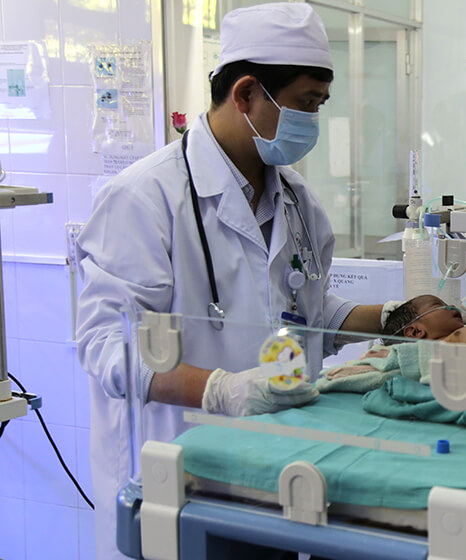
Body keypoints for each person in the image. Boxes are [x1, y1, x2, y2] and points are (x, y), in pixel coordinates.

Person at [74, 4, 385, 558]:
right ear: (245, 95)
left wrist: (390, 319)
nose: (313, 120)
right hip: (177, 477)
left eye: (320, 104)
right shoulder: (145, 199)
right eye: (305, 104)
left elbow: (305, 310)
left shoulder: (297, 202)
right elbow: (106, 346)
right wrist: (222, 389)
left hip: (277, 478)